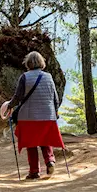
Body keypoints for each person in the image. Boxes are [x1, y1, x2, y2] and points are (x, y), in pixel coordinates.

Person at [6, 51, 64, 180]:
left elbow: (18, 96)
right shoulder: (48, 77)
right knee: (45, 139)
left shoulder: (24, 77)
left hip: (29, 116)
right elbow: (55, 97)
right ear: (41, 62)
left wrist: (9, 105)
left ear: (28, 63)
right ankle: (50, 161)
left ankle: (34, 172)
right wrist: (55, 111)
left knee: (31, 143)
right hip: (47, 115)